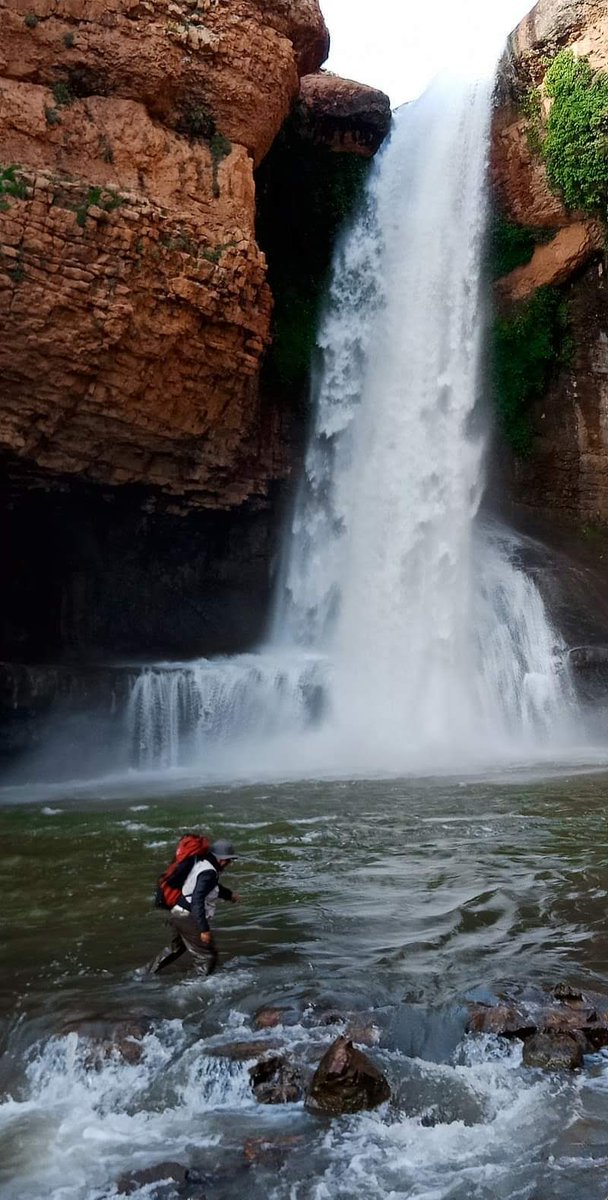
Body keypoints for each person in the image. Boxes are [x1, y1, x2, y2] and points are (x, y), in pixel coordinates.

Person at [148, 839, 240, 976]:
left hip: (178, 913)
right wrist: (204, 929)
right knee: (207, 956)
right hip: (187, 917)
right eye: (228, 860)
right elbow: (197, 899)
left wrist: (229, 895)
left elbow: (210, 888)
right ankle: (196, 987)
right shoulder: (209, 873)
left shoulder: (202, 864)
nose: (228, 863)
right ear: (221, 859)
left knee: (176, 949)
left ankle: (143, 973)